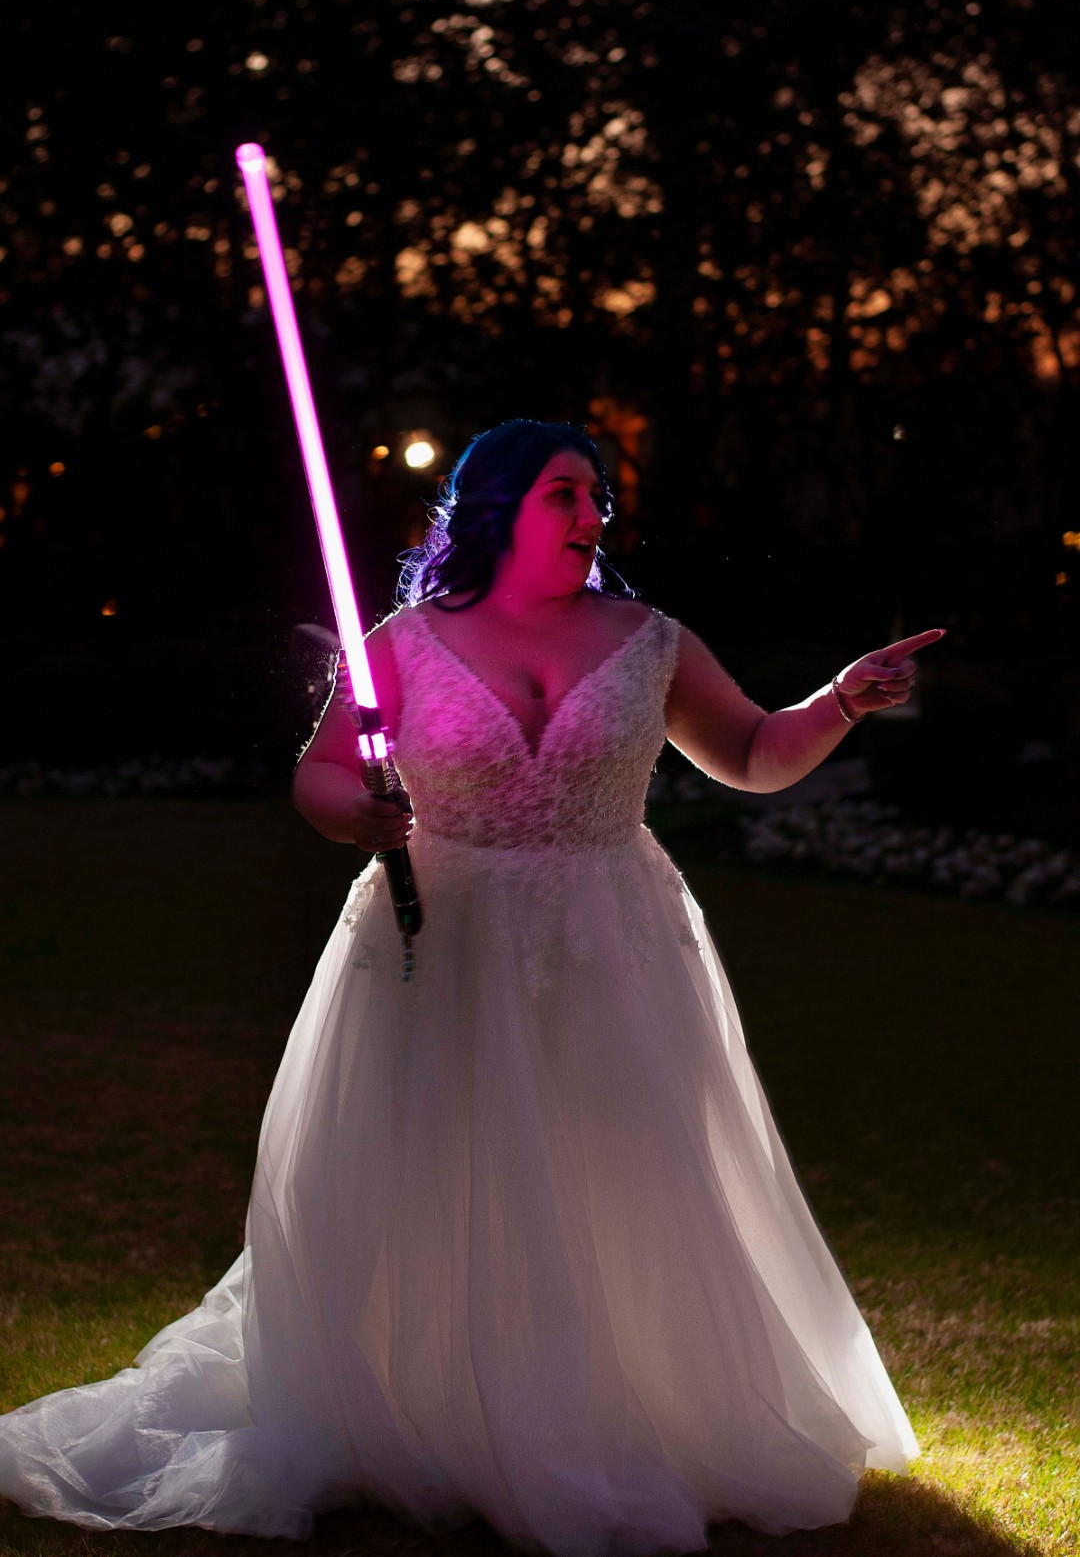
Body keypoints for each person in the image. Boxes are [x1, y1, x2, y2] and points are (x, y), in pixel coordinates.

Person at [0, 418, 939, 1552]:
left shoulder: (652, 639)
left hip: (610, 943)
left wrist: (839, 699)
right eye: (564, 493)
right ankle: (433, 1408)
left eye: (596, 494)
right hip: (438, 937)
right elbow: (321, 772)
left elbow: (748, 755)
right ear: (497, 508)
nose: (592, 515)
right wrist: (358, 814)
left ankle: (616, 1404)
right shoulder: (400, 641)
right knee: (438, 1169)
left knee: (623, 1171)